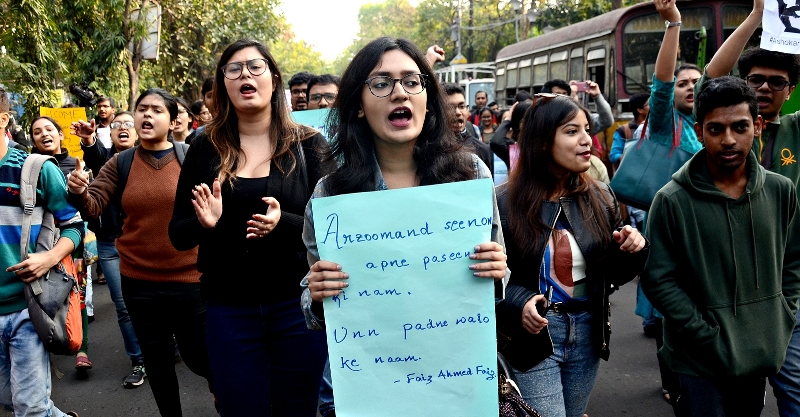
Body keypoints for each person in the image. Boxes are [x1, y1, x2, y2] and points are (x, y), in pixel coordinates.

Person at [300, 37, 508, 415]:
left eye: (412, 81)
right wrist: (316, 293)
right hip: (371, 387)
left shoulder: (468, 176)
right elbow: (314, 311)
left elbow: (495, 287)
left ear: (427, 98)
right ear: (359, 106)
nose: (400, 93)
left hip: (456, 383)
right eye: (381, 83)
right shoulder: (331, 194)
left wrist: (497, 270)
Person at [169, 39, 331, 417]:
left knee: (299, 410)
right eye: (234, 69)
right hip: (228, 311)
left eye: (255, 67)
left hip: (298, 309)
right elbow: (178, 234)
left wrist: (286, 222)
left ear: (274, 79)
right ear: (223, 84)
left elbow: (334, 227)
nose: (245, 74)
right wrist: (204, 223)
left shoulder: (309, 145)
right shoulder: (205, 148)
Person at [642, 75, 800, 417]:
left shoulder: (781, 190)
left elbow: (793, 260)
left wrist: (781, 316)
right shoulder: (671, 201)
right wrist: (705, 334)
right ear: (700, 132)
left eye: (740, 127)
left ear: (757, 126)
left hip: (757, 353)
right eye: (716, 130)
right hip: (697, 361)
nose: (728, 139)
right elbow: (658, 279)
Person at [496, 94, 648, 417]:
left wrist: (633, 249)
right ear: (540, 142)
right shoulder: (503, 203)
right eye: (571, 131)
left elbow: (611, 276)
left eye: (586, 129)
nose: (586, 140)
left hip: (587, 332)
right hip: (533, 338)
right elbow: (490, 276)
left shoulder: (601, 196)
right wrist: (519, 300)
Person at [67, 88, 214, 416]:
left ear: (174, 120)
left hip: (191, 281)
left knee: (202, 358)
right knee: (158, 363)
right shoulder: (121, 162)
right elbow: (93, 206)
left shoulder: (190, 157)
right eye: (142, 109)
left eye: (157, 110)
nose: (147, 115)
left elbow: (214, 209)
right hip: (140, 284)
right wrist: (78, 192)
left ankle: (227, 399)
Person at [692, 1, 800, 414]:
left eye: (777, 82)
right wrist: (756, 15)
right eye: (755, 79)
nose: (764, 88)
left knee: (793, 394)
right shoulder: (725, 132)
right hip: (727, 293)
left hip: (783, 289)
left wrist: (790, 302)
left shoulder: (794, 130)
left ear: (791, 91)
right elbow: (713, 79)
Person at [0, 89, 82, 417]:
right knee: (10, 401)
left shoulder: (34, 169)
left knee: (29, 409)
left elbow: (73, 226)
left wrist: (48, 258)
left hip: (26, 308)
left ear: (3, 119)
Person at [71, 111, 146, 388]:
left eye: (129, 124)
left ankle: (165, 342)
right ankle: (139, 360)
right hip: (110, 244)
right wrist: (89, 141)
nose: (123, 128)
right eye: (117, 126)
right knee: (124, 306)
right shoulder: (109, 162)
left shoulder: (150, 159)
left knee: (157, 301)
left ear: (138, 131)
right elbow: (97, 157)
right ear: (110, 134)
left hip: (144, 242)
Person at [29, 116, 94, 374]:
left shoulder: (76, 165)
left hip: (73, 242)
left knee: (75, 292)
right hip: (40, 246)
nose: (43, 134)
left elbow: (83, 209)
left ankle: (81, 348)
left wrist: (80, 189)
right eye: (36, 132)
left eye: (48, 129)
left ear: (60, 135)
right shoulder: (28, 167)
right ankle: (48, 345)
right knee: (42, 297)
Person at [443, 84, 494, 176]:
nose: (458, 112)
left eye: (462, 106)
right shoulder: (430, 148)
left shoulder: (482, 150)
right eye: (450, 107)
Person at [490, 99, 533, 170]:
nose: (531, 124)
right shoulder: (513, 150)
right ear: (519, 123)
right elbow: (496, 142)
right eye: (526, 120)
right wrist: (508, 119)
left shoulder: (544, 146)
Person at [609, 92, 650, 165]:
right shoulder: (624, 130)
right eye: (650, 104)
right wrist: (629, 158)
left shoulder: (658, 127)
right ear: (640, 110)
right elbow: (614, 155)